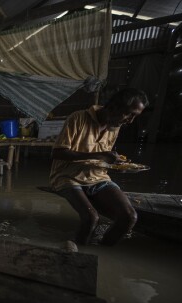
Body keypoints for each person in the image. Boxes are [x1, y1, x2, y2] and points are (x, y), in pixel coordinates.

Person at [49, 88, 149, 246]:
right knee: (91, 217)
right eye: (129, 114)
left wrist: (116, 164)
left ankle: (102, 253)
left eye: (135, 116)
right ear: (115, 107)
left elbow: (104, 158)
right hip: (67, 176)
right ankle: (79, 254)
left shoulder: (115, 127)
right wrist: (98, 155)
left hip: (98, 177)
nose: (130, 120)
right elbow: (58, 153)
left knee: (129, 217)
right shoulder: (78, 118)